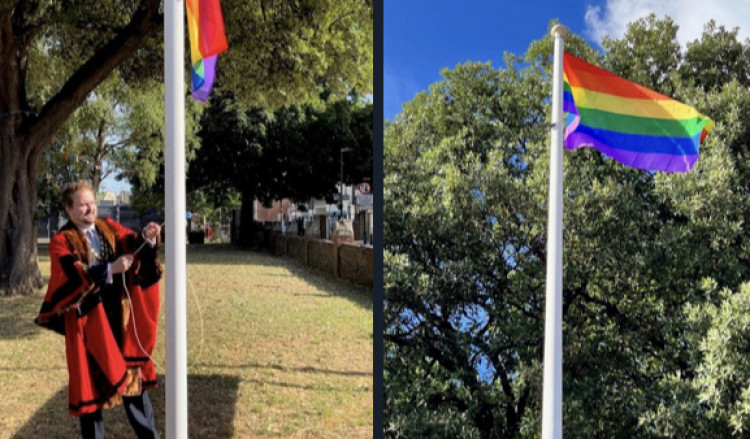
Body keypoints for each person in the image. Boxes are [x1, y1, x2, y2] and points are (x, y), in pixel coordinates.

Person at [35, 182, 163, 439]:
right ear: (69, 209)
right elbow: (70, 273)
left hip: (120, 321)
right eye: (83, 204)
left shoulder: (108, 227)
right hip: (88, 327)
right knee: (90, 394)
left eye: (92, 202)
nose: (90, 208)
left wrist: (147, 238)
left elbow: (131, 241)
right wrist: (109, 270)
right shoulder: (62, 241)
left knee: (133, 386)